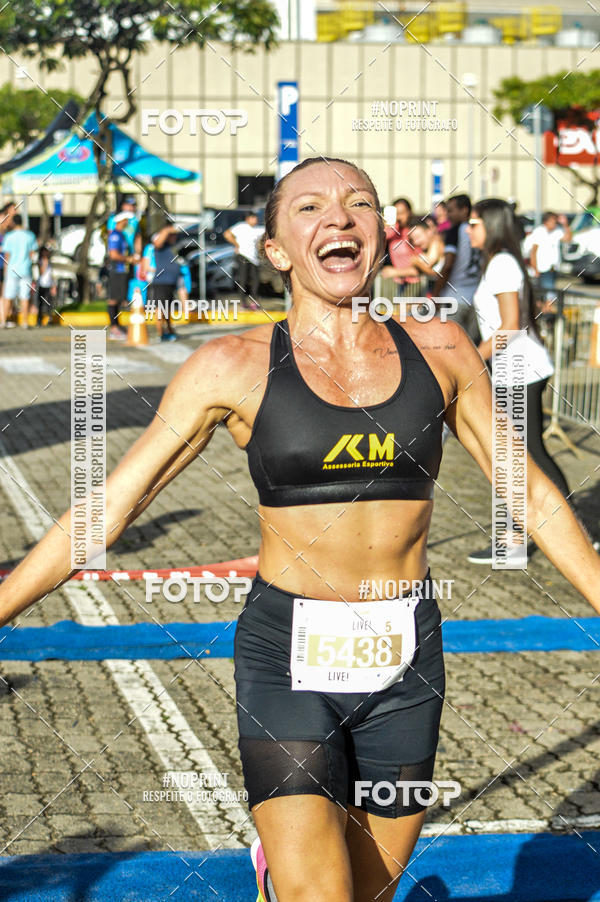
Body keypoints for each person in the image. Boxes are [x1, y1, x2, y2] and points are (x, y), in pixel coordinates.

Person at [0, 158, 598, 902]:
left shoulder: (442, 349)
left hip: (407, 662)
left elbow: (534, 498)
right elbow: (108, 509)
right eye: (312, 207)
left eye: (360, 206)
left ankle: (277, 875)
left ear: (384, 237)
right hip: (287, 661)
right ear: (278, 248)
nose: (340, 218)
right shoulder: (232, 364)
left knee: (370, 891)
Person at [465, 198, 570, 564]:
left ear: (491, 226)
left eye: (475, 223)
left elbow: (510, 323)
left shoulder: (503, 264)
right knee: (522, 455)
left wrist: (474, 357)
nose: (468, 229)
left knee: (524, 456)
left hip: (520, 372)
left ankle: (532, 538)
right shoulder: (499, 263)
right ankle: (529, 537)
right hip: (515, 371)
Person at [432, 194, 481, 343]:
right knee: (471, 350)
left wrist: (435, 295)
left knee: (447, 347)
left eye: (451, 210)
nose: (448, 215)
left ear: (464, 210)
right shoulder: (480, 232)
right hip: (475, 299)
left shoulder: (456, 231)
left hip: (454, 298)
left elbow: (448, 265)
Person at [140, 223, 184, 341]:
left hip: (170, 282)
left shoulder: (171, 247)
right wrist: (169, 229)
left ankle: (169, 330)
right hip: (160, 281)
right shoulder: (160, 245)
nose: (174, 237)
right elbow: (158, 241)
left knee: (167, 309)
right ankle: (161, 333)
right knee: (159, 308)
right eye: (172, 235)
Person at [387, 216, 445, 293]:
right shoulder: (428, 248)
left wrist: (415, 262)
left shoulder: (436, 244)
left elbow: (428, 267)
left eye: (418, 237)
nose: (416, 242)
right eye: (413, 240)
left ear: (429, 232)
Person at [1, 213, 37, 329]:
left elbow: (7, 255)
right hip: (25, 269)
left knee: (8, 296)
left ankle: (3, 321)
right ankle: (25, 322)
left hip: (12, 270)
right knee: (24, 296)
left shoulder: (9, 236)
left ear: (14, 223)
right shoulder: (30, 235)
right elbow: (33, 253)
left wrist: (5, 271)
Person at [223, 210, 264, 309]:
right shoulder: (241, 227)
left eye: (256, 218)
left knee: (255, 280)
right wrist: (236, 244)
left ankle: (254, 301)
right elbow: (227, 234)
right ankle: (243, 302)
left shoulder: (259, 229)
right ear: (248, 219)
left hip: (254, 258)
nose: (255, 220)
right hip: (243, 255)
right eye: (253, 218)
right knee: (243, 279)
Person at [106, 212, 137, 340]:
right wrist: (128, 259)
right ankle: (114, 327)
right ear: (120, 221)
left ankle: (117, 325)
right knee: (113, 299)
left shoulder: (122, 235)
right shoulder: (115, 235)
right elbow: (113, 255)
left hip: (122, 271)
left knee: (119, 299)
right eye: (126, 220)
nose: (128, 223)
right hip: (116, 271)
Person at [381, 197, 421, 293]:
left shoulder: (414, 233)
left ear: (410, 212)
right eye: (396, 214)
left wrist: (396, 272)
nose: (398, 217)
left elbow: (421, 267)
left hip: (415, 284)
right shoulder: (394, 233)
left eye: (402, 213)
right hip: (398, 284)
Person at [529, 211, 572, 297]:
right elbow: (533, 251)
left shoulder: (557, 231)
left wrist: (565, 225)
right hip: (543, 269)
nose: (554, 223)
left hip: (553, 268)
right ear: (546, 221)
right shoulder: (539, 232)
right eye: (553, 221)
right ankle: (547, 308)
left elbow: (568, 238)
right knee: (548, 293)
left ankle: (546, 308)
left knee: (548, 292)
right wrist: (534, 268)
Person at [34, 246, 56, 326]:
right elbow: (41, 272)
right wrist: (45, 264)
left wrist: (53, 285)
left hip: (49, 285)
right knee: (40, 303)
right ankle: (39, 320)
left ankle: (49, 319)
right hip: (41, 285)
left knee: (49, 303)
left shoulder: (50, 262)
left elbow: (51, 274)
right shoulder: (39, 261)